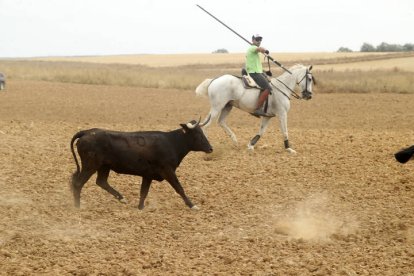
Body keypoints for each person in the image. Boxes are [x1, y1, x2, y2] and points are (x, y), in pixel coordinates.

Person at [245, 34, 274, 117]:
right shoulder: (252, 48)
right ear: (253, 40)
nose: (259, 41)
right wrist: (265, 51)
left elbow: (256, 65)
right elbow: (260, 49)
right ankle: (258, 109)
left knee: (269, 82)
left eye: (260, 40)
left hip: (258, 72)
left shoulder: (254, 51)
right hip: (254, 73)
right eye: (257, 39)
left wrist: (265, 72)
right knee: (268, 88)